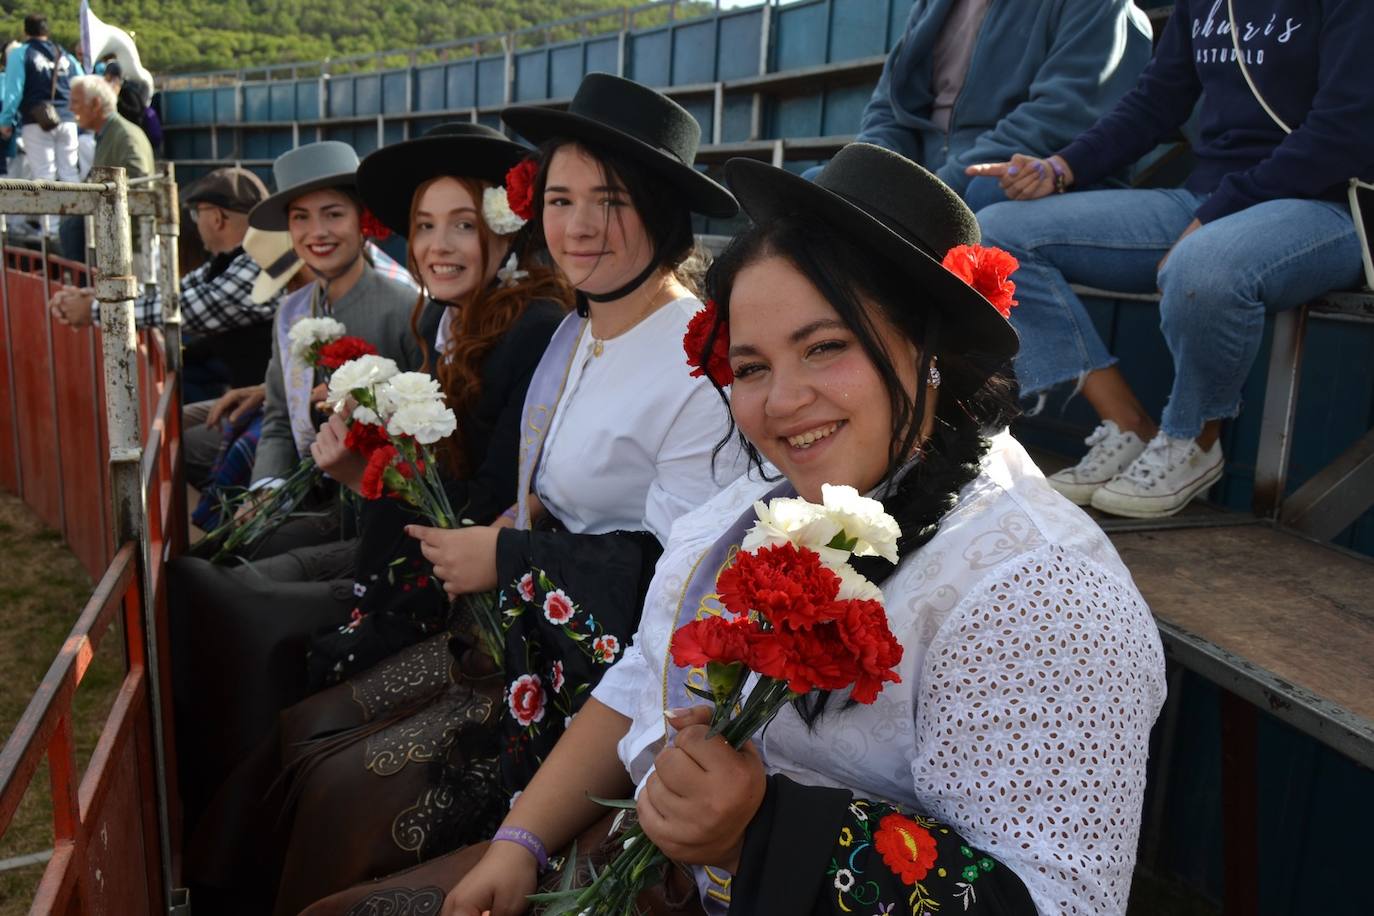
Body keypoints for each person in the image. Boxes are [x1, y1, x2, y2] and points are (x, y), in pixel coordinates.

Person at [297, 143, 1166, 916]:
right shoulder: (757, 505)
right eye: (751, 367)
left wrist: (761, 836)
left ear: (928, 349)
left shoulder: (1038, 593)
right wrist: (518, 844)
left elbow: (1054, 899)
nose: (782, 402)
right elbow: (643, 678)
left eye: (826, 347)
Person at [210, 74, 747, 915]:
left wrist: (508, 552)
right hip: (514, 634)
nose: (578, 226)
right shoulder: (582, 326)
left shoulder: (694, 361)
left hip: (586, 685)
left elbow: (671, 591)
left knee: (342, 801)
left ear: (667, 210)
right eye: (561, 198)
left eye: (611, 201)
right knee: (312, 760)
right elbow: (536, 491)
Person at [972, 0, 1371, 518]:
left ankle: (1193, 439)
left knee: (1203, 266)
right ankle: (1129, 423)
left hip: (1328, 204)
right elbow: (1154, 102)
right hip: (1210, 198)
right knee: (1000, 234)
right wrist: (1062, 166)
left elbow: (1347, 132)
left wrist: (1221, 211)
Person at [825, 0, 1152, 211]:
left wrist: (932, 190)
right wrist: (869, 170)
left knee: (986, 196)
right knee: (827, 184)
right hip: (928, 172)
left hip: (1020, 174)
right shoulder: (930, 7)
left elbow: (1059, 118)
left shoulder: (1100, 6)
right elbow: (888, 109)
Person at [0, 13, 83, 233]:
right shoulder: (63, 54)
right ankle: (75, 228)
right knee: (69, 174)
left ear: (26, 32)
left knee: (44, 176)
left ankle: (53, 231)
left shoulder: (21, 54)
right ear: (47, 31)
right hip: (67, 121)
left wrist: (6, 120)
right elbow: (82, 81)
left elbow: (13, 92)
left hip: (37, 120)